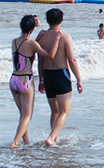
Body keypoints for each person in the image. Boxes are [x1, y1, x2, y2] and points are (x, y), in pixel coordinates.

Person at [10, 15, 62, 149]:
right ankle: (15, 143)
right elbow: (50, 55)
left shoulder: (14, 41)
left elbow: (27, 46)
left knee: (22, 116)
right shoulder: (32, 44)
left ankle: (26, 143)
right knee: (27, 116)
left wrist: (37, 38)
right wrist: (56, 39)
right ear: (32, 29)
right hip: (25, 80)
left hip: (14, 79)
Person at [37, 8, 83, 147]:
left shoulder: (41, 36)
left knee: (55, 111)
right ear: (62, 20)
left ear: (47, 20)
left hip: (47, 73)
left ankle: (55, 139)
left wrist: (41, 80)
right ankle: (51, 137)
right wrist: (79, 79)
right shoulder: (64, 36)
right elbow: (71, 59)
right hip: (61, 74)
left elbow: (40, 61)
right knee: (64, 111)